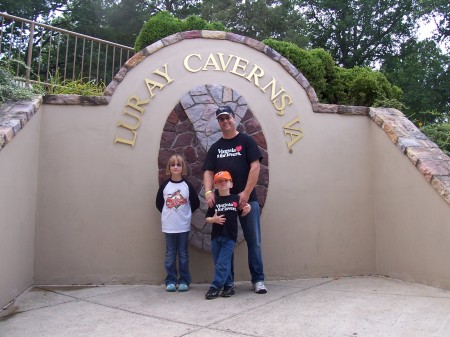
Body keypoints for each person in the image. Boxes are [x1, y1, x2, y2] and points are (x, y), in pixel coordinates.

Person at [202, 105, 267, 294]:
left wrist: (245, 193)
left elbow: (255, 167)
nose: (225, 121)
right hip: (223, 203)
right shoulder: (216, 147)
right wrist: (208, 192)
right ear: (218, 123)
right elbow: (208, 171)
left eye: (227, 117)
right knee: (225, 240)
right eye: (221, 119)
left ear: (233, 118)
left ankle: (258, 280)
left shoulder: (246, 141)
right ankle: (227, 283)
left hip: (247, 200)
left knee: (253, 240)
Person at [156, 154, 200, 292]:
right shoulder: (165, 185)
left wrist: (185, 214)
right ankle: (170, 280)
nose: (175, 167)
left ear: (183, 167)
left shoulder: (187, 185)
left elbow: (196, 203)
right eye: (173, 164)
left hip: (183, 226)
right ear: (169, 168)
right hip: (169, 226)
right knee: (170, 254)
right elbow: (158, 203)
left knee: (183, 254)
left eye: (178, 164)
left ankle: (184, 280)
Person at [205, 171, 251, 299]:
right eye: (219, 181)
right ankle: (229, 286)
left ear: (231, 184)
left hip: (229, 237)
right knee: (221, 263)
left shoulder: (236, 199)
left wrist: (245, 211)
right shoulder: (214, 200)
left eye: (226, 180)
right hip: (216, 237)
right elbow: (207, 218)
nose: (223, 183)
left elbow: (241, 213)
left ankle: (215, 286)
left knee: (222, 263)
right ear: (215, 185)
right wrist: (213, 220)